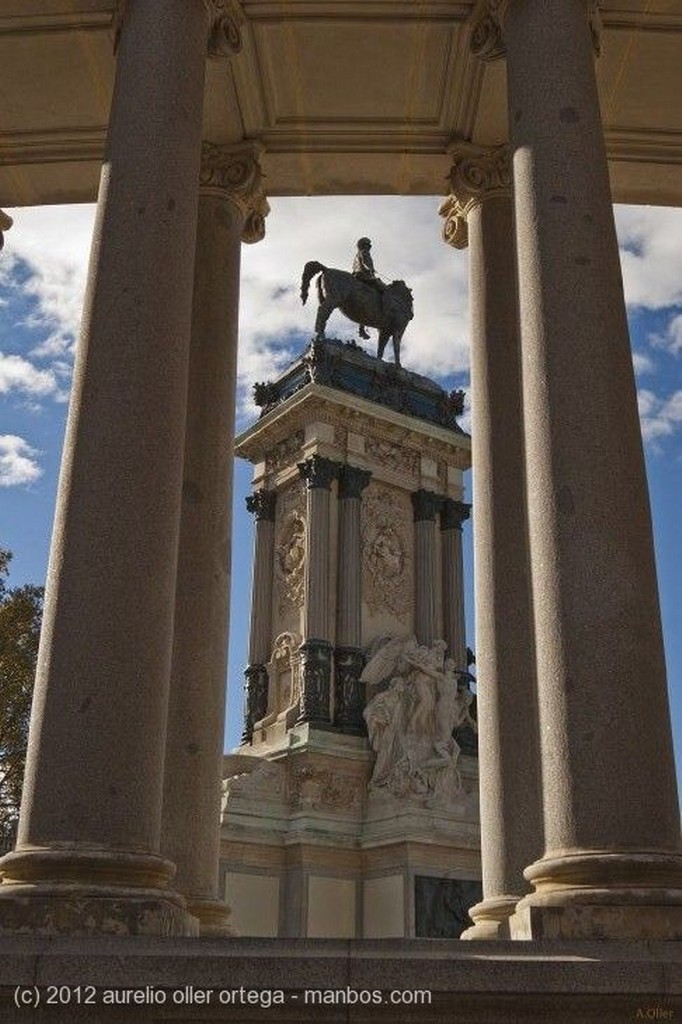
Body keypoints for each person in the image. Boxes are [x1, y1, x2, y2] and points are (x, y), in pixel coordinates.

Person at [352, 237, 386, 340]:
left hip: (356, 276)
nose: (369, 247)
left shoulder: (356, 255)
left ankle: (362, 328)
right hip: (365, 277)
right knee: (384, 290)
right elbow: (366, 262)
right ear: (364, 245)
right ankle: (385, 312)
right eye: (368, 245)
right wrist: (371, 270)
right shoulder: (364, 252)